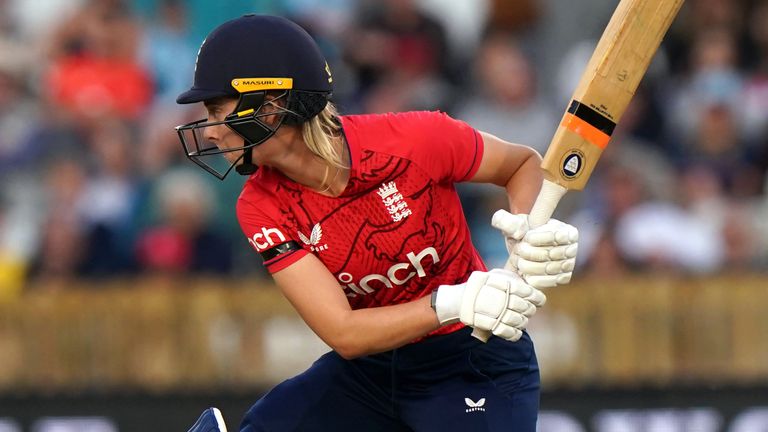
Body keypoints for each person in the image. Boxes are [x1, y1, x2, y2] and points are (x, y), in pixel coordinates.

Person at [175, 14, 579, 432]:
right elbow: (344, 332)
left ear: (271, 105)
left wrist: (530, 231)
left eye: (215, 109)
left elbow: (522, 164)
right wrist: (453, 301)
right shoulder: (259, 204)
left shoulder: (417, 139)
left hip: (472, 361)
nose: (209, 132)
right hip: (371, 371)